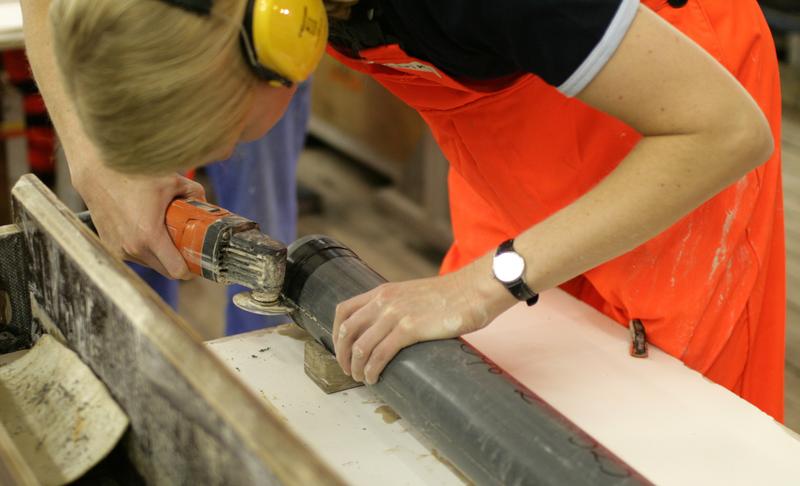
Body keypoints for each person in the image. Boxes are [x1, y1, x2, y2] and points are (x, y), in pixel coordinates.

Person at [22, 0, 784, 421]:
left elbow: (723, 129)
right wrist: (96, 160)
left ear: (285, 44)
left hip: (677, 122)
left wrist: (487, 282)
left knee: (662, 426)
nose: (209, 157)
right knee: (494, 403)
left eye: (212, 136)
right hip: (505, 133)